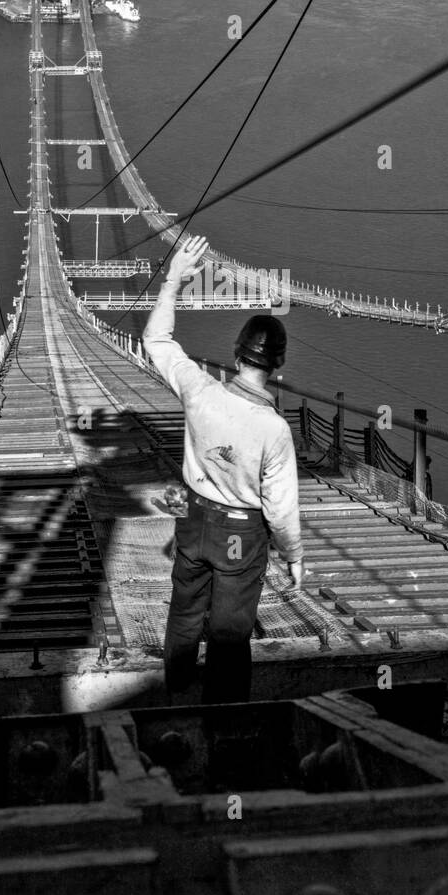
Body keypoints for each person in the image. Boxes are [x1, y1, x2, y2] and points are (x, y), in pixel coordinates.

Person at [142, 234, 303, 704]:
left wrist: (173, 279)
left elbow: (156, 339)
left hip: (193, 521)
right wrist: (294, 555)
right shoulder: (274, 430)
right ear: (278, 366)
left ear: (236, 356)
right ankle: (226, 715)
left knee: (184, 615)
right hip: (240, 533)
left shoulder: (200, 391)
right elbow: (281, 507)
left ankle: (176, 698)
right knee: (231, 633)